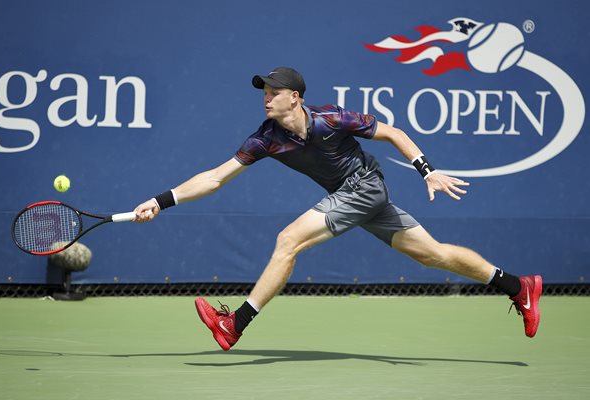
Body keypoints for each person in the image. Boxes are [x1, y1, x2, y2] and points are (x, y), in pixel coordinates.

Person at [134, 67, 542, 351]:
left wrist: (427, 171)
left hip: (364, 186)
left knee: (288, 241)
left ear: (295, 97)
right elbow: (215, 177)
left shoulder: (331, 118)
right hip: (357, 198)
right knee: (431, 253)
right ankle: (517, 287)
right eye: (263, 92)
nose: (266, 98)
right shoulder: (265, 139)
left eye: (274, 92)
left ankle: (234, 325)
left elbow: (393, 132)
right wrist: (158, 201)